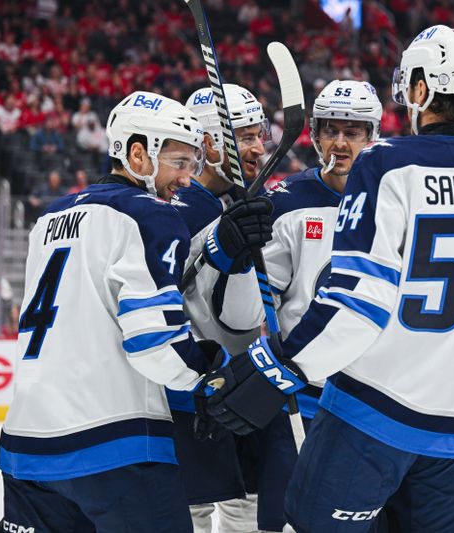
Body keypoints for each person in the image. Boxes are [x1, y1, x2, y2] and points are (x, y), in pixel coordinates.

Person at [202, 26, 454, 532]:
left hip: (378, 410)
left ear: (419, 90)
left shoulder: (388, 163)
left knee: (312, 521)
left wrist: (276, 366)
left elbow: (358, 303)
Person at [0, 90, 265, 533]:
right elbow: (154, 343)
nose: (186, 179)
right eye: (179, 163)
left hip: (26, 444)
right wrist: (217, 372)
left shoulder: (49, 218)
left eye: (194, 164)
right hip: (113, 446)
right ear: (138, 153)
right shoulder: (149, 215)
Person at [219, 79, 384, 532]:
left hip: (375, 398)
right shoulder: (287, 202)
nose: (341, 142)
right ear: (313, 134)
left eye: (353, 132)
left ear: (372, 136)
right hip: (300, 392)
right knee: (281, 521)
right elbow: (252, 307)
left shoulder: (396, 200)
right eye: (330, 130)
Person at [169, 83, 275, 533]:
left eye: (259, 135)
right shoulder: (182, 205)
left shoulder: (229, 200)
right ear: (209, 143)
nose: (259, 147)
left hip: (238, 383)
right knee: (193, 509)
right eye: (246, 137)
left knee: (244, 504)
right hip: (193, 390)